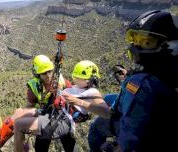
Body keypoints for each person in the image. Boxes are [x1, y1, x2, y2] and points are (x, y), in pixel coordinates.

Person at [63, 10, 178, 151]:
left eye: (146, 42)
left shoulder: (140, 84)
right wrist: (128, 74)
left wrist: (116, 148)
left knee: (95, 128)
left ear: (170, 44)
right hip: (155, 111)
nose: (136, 46)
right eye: (134, 39)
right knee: (108, 97)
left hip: (133, 121)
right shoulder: (167, 70)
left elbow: (131, 132)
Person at [0, 55, 76, 152]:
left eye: (49, 71)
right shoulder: (34, 87)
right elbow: (29, 107)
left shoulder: (62, 83)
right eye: (44, 73)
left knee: (69, 144)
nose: (48, 75)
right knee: (39, 145)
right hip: (45, 116)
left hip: (61, 117)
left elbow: (75, 98)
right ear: (38, 75)